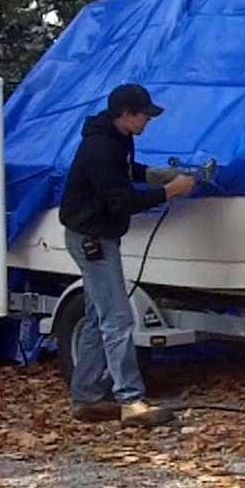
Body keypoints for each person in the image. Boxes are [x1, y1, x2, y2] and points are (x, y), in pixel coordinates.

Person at [59, 83, 197, 427]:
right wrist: (169, 191)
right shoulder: (100, 148)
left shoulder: (118, 139)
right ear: (126, 114)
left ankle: (87, 397)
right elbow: (120, 200)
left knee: (97, 316)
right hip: (93, 240)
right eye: (144, 115)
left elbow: (127, 170)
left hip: (96, 235)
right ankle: (131, 400)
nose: (147, 122)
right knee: (118, 318)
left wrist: (154, 174)